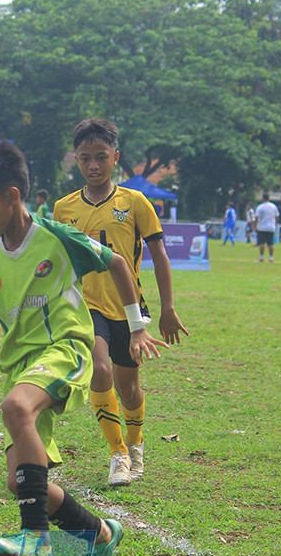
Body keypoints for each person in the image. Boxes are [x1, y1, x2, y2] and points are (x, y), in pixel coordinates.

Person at [0, 138, 166, 556]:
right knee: (20, 483)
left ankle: (37, 542)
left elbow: (118, 266)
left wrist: (136, 325)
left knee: (16, 408)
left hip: (66, 349)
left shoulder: (57, 236)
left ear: (12, 196)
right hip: (22, 369)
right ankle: (102, 535)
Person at [53, 118, 188, 487]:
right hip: (86, 306)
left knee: (128, 387)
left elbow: (160, 255)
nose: (93, 166)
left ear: (116, 158)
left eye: (100, 157)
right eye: (85, 158)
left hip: (130, 309)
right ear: (75, 160)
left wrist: (167, 308)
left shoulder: (135, 202)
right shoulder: (63, 209)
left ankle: (136, 442)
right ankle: (118, 456)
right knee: (101, 370)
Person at [254, 193, 280, 262]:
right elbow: (277, 216)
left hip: (262, 227)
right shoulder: (273, 206)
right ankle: (271, 258)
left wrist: (256, 226)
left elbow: (257, 217)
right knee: (270, 243)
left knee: (262, 243)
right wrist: (274, 224)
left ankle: (262, 257)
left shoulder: (260, 207)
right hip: (271, 227)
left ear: (263, 198)